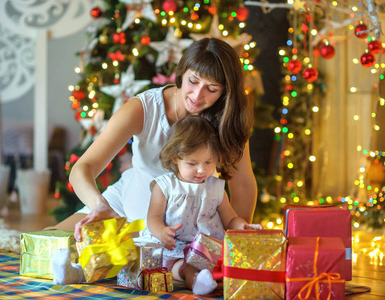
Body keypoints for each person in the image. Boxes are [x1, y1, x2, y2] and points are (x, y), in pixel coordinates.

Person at [52, 37, 257, 243]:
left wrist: (235, 241)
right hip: (122, 205)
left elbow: (244, 185)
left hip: (186, 226)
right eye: (193, 81)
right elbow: (83, 168)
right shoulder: (143, 108)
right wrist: (99, 205)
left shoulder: (227, 120)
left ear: (224, 92)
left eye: (211, 89)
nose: (197, 95)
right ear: (182, 72)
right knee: (49, 242)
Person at [136, 115, 262, 295]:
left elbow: (230, 218)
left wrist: (242, 226)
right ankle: (196, 281)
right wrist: (161, 232)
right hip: (175, 247)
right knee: (183, 267)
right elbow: (153, 216)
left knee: (225, 262)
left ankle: (211, 277)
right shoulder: (165, 186)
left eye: (208, 162)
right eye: (192, 163)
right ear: (175, 157)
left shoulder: (216, 188)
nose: (202, 170)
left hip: (206, 250)